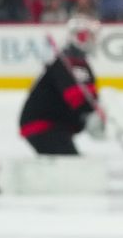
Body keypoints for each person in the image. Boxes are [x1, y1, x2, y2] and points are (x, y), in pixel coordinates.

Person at [19, 14, 106, 155]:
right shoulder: (65, 64)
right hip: (42, 126)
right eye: (92, 36)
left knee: (72, 164)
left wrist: (96, 113)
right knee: (70, 167)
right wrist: (93, 114)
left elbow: (89, 97)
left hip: (55, 126)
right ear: (81, 37)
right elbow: (77, 100)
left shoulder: (79, 64)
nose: (95, 40)